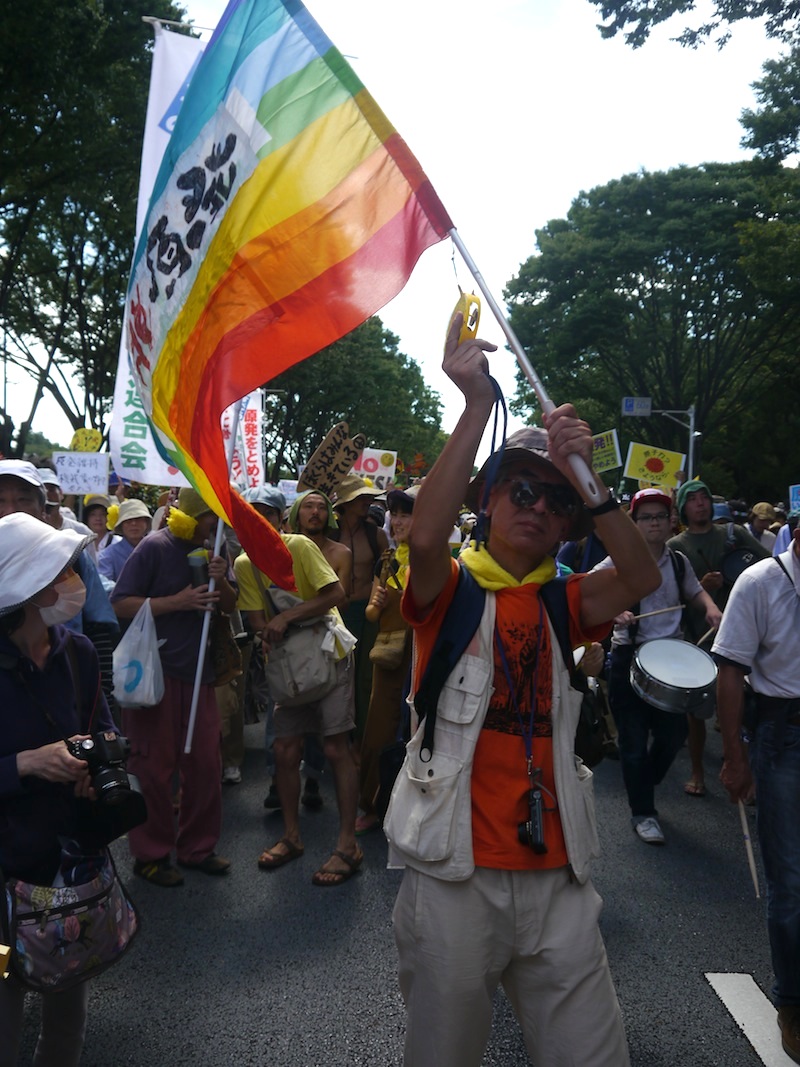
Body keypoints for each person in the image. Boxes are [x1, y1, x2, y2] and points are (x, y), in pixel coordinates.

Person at [386, 315, 660, 1067]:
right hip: (455, 875)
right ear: (490, 499)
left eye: (553, 497)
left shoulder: (560, 600)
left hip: (559, 876)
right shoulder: (449, 592)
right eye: (521, 489)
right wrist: (475, 407)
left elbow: (639, 578)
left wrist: (590, 479)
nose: (537, 505)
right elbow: (423, 540)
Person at [0, 513, 116, 1067]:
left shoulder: (79, 653)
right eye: (59, 570)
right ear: (26, 590)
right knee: (3, 1011)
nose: (74, 579)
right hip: (4, 881)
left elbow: (104, 730)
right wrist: (26, 763)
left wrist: (99, 765)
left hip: (69, 875)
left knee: (67, 1020)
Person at [110, 488, 236, 887]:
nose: (214, 526)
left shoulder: (216, 549)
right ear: (192, 516)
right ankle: (151, 853)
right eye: (209, 518)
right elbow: (120, 603)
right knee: (151, 767)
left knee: (205, 764)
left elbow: (229, 605)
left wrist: (222, 580)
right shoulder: (154, 546)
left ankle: (198, 848)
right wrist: (175, 602)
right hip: (153, 675)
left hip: (199, 676)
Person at [235, 501, 362, 887]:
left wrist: (287, 616)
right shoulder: (244, 564)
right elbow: (257, 622)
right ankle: (291, 836)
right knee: (285, 749)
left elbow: (336, 594)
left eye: (266, 516)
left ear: (279, 521)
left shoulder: (301, 547)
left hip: (329, 651)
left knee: (337, 747)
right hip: (290, 663)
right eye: (249, 519)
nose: (260, 524)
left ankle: (348, 845)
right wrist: (275, 625)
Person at [712, 517, 800, 1064]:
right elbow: (730, 674)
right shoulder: (761, 582)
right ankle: (792, 1003)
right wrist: (736, 760)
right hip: (784, 734)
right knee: (791, 882)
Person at [594, 488, 722, 844]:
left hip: (673, 657)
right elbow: (587, 589)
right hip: (628, 659)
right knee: (633, 742)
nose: (654, 523)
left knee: (672, 735)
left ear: (670, 523)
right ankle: (643, 813)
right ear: (634, 524)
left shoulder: (678, 561)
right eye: (646, 517)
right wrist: (613, 610)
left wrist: (710, 608)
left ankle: (641, 783)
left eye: (660, 517)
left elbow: (696, 591)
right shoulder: (618, 560)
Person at [667, 479, 769, 796]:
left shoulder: (733, 535)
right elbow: (668, 599)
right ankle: (698, 772)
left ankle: (743, 774)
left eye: (704, 498)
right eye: (693, 499)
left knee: (742, 711)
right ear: (683, 508)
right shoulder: (675, 547)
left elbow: (771, 569)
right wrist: (702, 587)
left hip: (738, 638)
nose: (700, 503)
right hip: (696, 635)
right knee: (695, 712)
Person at [355, 484, 418, 835]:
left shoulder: (443, 562)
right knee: (378, 730)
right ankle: (372, 803)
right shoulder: (389, 560)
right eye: (396, 513)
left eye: (406, 512)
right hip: (390, 658)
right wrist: (376, 603)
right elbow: (370, 616)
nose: (397, 521)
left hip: (423, 660)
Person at [287, 489, 354, 808]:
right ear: (296, 513)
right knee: (285, 736)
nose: (315, 512)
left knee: (330, 734)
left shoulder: (341, 552)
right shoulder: (284, 549)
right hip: (289, 644)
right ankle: (279, 784)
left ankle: (313, 777)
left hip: (329, 643)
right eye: (308, 506)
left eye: (321, 507)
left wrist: (297, 611)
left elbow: (337, 595)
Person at [332, 474, 389, 741]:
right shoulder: (328, 534)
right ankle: (335, 737)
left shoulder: (376, 535)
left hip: (368, 614)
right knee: (335, 677)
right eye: (360, 498)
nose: (367, 502)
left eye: (368, 497)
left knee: (365, 677)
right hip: (335, 614)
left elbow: (386, 572)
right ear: (345, 503)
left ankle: (363, 740)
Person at [97, 499, 152, 583]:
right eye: (128, 520)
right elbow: (104, 585)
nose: (133, 523)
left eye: (138, 519)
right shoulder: (108, 555)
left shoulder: (157, 549)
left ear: (146, 523)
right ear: (121, 525)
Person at [82, 494, 118, 567]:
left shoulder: (117, 542)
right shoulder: (81, 543)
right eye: (93, 514)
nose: (98, 518)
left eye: (102, 514)